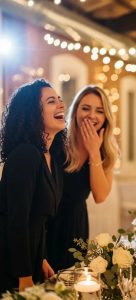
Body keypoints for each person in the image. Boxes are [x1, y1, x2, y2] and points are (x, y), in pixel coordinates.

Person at [0, 79, 66, 292]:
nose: (61, 105)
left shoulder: (50, 157)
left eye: (59, 100)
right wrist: (25, 275)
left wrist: (41, 258)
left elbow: (38, 223)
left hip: (32, 261)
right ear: (33, 113)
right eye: (51, 101)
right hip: (12, 269)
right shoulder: (25, 155)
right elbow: (16, 222)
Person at [47, 85, 118, 272]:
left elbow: (100, 196)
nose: (91, 115)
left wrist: (94, 152)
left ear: (105, 118)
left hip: (75, 225)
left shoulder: (107, 151)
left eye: (99, 111)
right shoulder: (57, 140)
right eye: (85, 108)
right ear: (76, 110)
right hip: (47, 224)